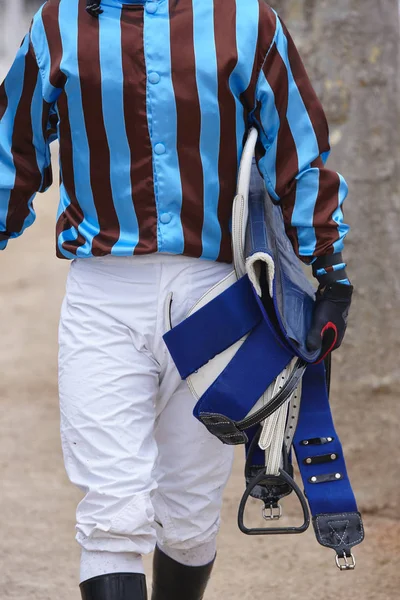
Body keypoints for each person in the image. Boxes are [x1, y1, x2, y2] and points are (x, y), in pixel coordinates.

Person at [0, 1, 353, 598]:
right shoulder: (57, 24)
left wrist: (329, 273)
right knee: (112, 511)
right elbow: (11, 150)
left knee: (189, 518)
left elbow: (297, 150)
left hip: (217, 297)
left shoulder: (246, 20)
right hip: (104, 295)